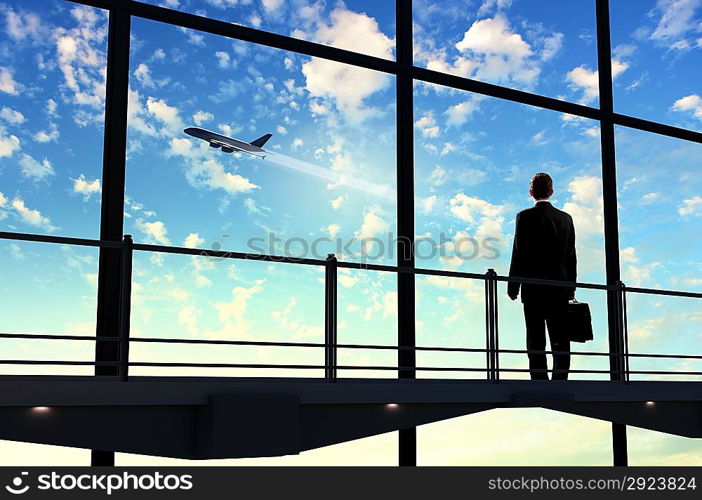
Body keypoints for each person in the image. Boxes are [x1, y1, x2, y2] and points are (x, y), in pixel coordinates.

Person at [507, 173, 576, 380]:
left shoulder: (524, 216)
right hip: (560, 287)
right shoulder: (566, 219)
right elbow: (571, 256)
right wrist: (571, 287)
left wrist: (513, 286)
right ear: (551, 191)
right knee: (560, 336)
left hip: (533, 287)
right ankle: (560, 378)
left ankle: (539, 378)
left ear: (531, 192)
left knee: (535, 335)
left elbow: (519, 253)